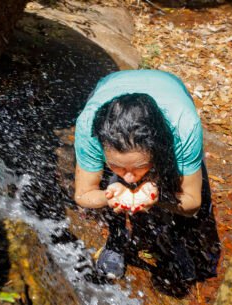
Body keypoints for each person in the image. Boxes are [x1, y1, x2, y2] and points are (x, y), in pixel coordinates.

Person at [74, 70, 220, 289]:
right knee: (109, 180)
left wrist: (159, 197)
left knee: (180, 180)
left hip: (170, 88)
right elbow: (83, 195)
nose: (130, 179)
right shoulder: (89, 128)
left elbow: (192, 204)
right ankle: (115, 242)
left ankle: (174, 240)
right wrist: (111, 195)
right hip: (111, 85)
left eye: (140, 167)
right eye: (117, 166)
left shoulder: (184, 129)